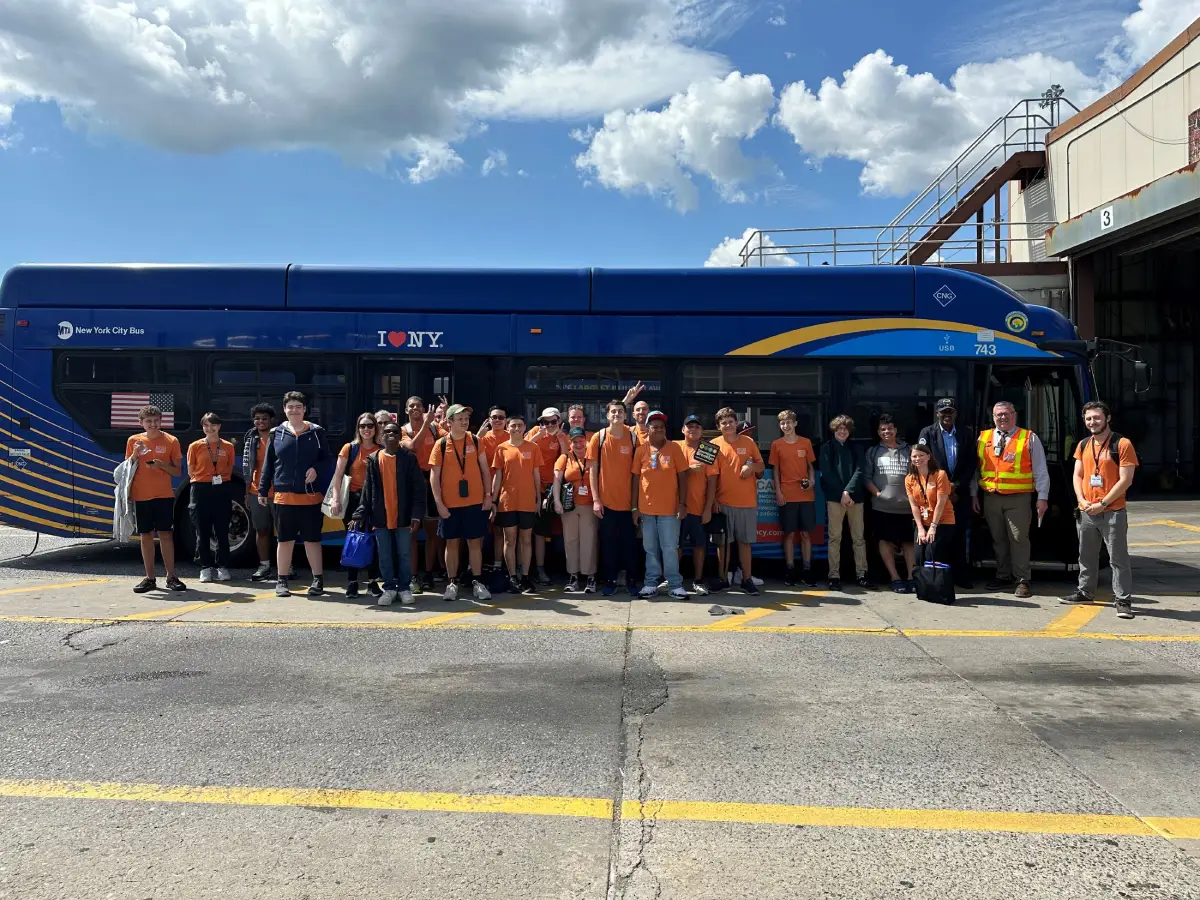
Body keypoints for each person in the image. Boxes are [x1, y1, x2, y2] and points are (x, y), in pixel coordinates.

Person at [1060, 401, 1138, 620]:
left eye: (1096, 418)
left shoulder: (1122, 444)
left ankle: (1123, 600)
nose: (1092, 422)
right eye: (1088, 419)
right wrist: (1082, 500)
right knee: (1086, 556)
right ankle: (1085, 592)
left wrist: (1102, 504)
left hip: (1112, 511)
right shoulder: (1083, 444)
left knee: (1118, 559)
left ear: (1107, 418)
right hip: (1086, 511)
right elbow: (1078, 475)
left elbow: (1126, 480)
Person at [258, 391, 333, 597]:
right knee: (285, 540)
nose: (294, 410)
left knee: (312, 540)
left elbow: (327, 459)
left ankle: (317, 579)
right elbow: (268, 464)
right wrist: (262, 489)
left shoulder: (316, 432)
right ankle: (281, 581)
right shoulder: (276, 433)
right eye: (290, 406)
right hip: (283, 497)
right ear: (284, 409)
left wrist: (316, 469)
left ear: (305, 409)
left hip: (310, 497)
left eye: (298, 406)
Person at [972, 400, 1050, 599]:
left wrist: (1042, 497)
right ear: (993, 417)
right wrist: (974, 494)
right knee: (998, 539)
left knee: (1018, 539)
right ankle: (1003, 575)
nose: (1003, 418)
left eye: (1006, 414)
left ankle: (1023, 580)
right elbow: (975, 470)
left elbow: (1040, 470)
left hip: (1018, 498)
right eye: (999, 415)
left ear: (1014, 415)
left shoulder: (1028, 438)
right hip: (991, 497)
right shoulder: (983, 438)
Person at [353, 422, 425, 606]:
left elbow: (418, 489)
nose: (391, 434)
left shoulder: (409, 458)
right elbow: (367, 491)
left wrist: (416, 515)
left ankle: (404, 588)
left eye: (395, 432)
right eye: (387, 432)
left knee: (404, 554)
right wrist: (359, 514)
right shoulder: (374, 459)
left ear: (400, 437)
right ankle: (390, 588)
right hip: (381, 516)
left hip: (404, 516)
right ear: (381, 437)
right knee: (384, 555)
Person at [429, 404, 494, 602]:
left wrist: (488, 495)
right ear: (449, 422)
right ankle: (452, 582)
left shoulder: (475, 440)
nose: (465, 421)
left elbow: (485, 469)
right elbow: (434, 476)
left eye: (466, 418)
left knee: (475, 543)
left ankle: (477, 581)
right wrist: (439, 503)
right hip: (450, 504)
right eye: (460, 419)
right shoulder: (440, 444)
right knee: (451, 543)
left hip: (474, 501)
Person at [918, 398, 977, 588]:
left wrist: (957, 485)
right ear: (937, 414)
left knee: (959, 535)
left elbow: (971, 462)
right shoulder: (927, 433)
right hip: (936, 495)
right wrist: (944, 486)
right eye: (943, 412)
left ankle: (960, 576)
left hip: (959, 492)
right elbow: (923, 461)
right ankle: (937, 579)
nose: (946, 415)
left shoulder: (966, 433)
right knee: (938, 537)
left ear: (955, 414)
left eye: (950, 412)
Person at [126, 405, 186, 593]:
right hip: (141, 495)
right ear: (141, 423)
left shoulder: (171, 441)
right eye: (148, 421)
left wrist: (162, 465)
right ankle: (150, 578)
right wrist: (135, 455)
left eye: (156, 421)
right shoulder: (134, 440)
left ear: (161, 421)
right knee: (145, 535)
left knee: (166, 535)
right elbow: (126, 469)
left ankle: (171, 576)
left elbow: (177, 471)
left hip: (164, 495)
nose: (153, 424)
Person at [631, 412, 689, 600]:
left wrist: (682, 504)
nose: (658, 429)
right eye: (654, 426)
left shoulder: (674, 449)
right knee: (650, 548)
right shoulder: (641, 450)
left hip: (670, 510)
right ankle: (650, 583)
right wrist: (634, 508)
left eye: (661, 426)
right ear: (647, 429)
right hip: (646, 510)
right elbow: (635, 479)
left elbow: (683, 477)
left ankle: (675, 584)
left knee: (670, 547)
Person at [589, 400, 640, 596]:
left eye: (620, 411)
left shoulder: (634, 439)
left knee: (629, 545)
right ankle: (609, 581)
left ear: (625, 416)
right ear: (607, 415)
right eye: (613, 412)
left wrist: (636, 506)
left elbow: (637, 474)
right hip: (606, 503)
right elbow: (592, 471)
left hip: (628, 505)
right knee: (608, 545)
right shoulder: (598, 438)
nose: (617, 414)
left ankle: (631, 581)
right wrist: (595, 500)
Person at [712, 407, 764, 595]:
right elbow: (708, 476)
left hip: (747, 502)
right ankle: (723, 579)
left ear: (736, 423)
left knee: (745, 543)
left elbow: (761, 466)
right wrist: (713, 499)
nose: (728, 425)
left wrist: (751, 467)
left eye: (731, 421)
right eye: (723, 423)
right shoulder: (712, 444)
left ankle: (746, 579)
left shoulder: (749, 442)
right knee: (723, 544)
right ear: (718, 426)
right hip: (723, 503)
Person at [330, 413, 382, 599]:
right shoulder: (349, 448)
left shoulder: (381, 449)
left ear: (376, 428)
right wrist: (336, 499)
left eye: (370, 426)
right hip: (353, 501)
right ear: (358, 429)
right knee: (353, 540)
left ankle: (373, 582)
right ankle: (352, 583)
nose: (366, 429)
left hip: (375, 502)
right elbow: (337, 475)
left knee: (375, 541)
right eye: (362, 426)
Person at [491, 413, 544, 593]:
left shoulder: (533, 447)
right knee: (509, 540)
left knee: (526, 540)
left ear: (524, 428)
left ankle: (526, 577)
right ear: (508, 427)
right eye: (513, 425)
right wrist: (493, 500)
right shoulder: (501, 449)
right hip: (507, 502)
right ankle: (513, 577)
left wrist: (538, 498)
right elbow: (497, 477)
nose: (516, 429)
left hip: (528, 501)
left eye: (520, 425)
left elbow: (536, 475)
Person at [819, 414, 870, 591]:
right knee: (834, 538)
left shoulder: (856, 448)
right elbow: (827, 473)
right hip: (834, 498)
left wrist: (848, 491)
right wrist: (842, 493)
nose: (842, 432)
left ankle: (861, 573)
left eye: (845, 429)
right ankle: (834, 575)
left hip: (855, 498)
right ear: (834, 430)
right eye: (839, 429)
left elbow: (860, 470)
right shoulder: (826, 448)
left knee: (858, 538)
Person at [866, 414, 915, 593]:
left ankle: (911, 577)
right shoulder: (873, 452)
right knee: (884, 541)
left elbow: (918, 476)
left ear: (896, 430)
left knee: (909, 542)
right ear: (879, 432)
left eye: (890, 429)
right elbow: (867, 477)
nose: (887, 432)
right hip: (882, 507)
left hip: (908, 507)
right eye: (883, 429)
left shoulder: (909, 450)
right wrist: (878, 494)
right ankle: (895, 577)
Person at [769, 410, 817, 588]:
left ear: (795, 424)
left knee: (805, 534)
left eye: (789, 422)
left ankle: (807, 569)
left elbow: (811, 466)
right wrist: (779, 492)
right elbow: (775, 470)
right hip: (787, 495)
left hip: (805, 495)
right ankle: (790, 569)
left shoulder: (805, 443)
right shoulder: (776, 444)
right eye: (782, 423)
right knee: (788, 534)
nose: (786, 426)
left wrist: (811, 481)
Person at [187, 413, 236, 584]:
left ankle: (222, 567)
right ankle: (205, 568)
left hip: (221, 489)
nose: (210, 428)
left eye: (213, 425)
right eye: (206, 425)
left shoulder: (228, 446)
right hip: (200, 489)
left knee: (222, 531)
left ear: (219, 426)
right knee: (202, 532)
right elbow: (191, 470)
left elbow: (229, 467)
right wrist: (205, 478)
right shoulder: (195, 446)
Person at [401, 396, 443, 593]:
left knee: (432, 533)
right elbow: (412, 447)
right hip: (412, 487)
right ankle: (413, 576)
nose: (415, 408)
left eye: (418, 405)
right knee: (412, 534)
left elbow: (451, 439)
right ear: (406, 410)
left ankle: (428, 573)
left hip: (431, 485)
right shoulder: (403, 430)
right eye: (411, 406)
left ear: (424, 408)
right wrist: (427, 423)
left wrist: (445, 415)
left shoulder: (435, 428)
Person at [525, 407, 570, 585]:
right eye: (545, 422)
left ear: (559, 421)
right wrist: (537, 436)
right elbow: (521, 447)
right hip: (534, 487)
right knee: (535, 531)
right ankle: (536, 568)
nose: (549, 425)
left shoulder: (561, 435)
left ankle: (553, 568)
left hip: (553, 489)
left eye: (553, 421)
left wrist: (561, 439)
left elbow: (567, 456)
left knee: (548, 530)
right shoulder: (536, 431)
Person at [676, 414, 718, 596]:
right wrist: (687, 470)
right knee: (675, 546)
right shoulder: (675, 447)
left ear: (702, 431)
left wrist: (708, 508)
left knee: (699, 546)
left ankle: (698, 581)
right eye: (689, 426)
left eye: (697, 427)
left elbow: (713, 481)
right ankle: (673, 580)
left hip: (699, 508)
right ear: (683, 430)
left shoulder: (706, 449)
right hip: (677, 508)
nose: (693, 429)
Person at [554, 427, 598, 594]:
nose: (578, 444)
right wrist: (557, 502)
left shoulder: (593, 457)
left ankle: (590, 576)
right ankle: (573, 576)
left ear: (586, 441)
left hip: (588, 505)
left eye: (581, 440)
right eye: (574, 441)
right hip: (569, 505)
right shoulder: (565, 458)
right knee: (570, 540)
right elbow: (557, 480)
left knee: (589, 540)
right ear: (570, 443)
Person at [242, 403, 277, 582]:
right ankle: (264, 566)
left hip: (279, 491)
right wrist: (247, 491)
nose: (260, 421)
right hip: (256, 491)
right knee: (261, 530)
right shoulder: (250, 437)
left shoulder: (280, 435)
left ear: (271, 420)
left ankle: (288, 567)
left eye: (264, 418)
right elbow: (246, 467)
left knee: (284, 532)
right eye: (257, 418)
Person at [906, 442, 956, 565]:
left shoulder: (940, 475)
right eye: (914, 456)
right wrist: (920, 528)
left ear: (928, 456)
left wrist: (933, 527)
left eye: (921, 455)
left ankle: (936, 583)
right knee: (918, 557)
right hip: (923, 521)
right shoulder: (909, 478)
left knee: (931, 555)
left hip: (942, 521)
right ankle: (921, 584)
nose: (917, 459)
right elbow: (914, 506)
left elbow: (941, 503)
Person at [477, 405, 511, 572]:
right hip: (482, 489)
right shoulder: (482, 438)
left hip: (504, 490)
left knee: (499, 530)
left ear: (506, 421)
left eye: (501, 417)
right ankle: (475, 566)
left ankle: (498, 565)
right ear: (489, 420)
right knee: (479, 531)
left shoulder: (511, 437)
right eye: (494, 417)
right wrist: (477, 437)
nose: (497, 420)